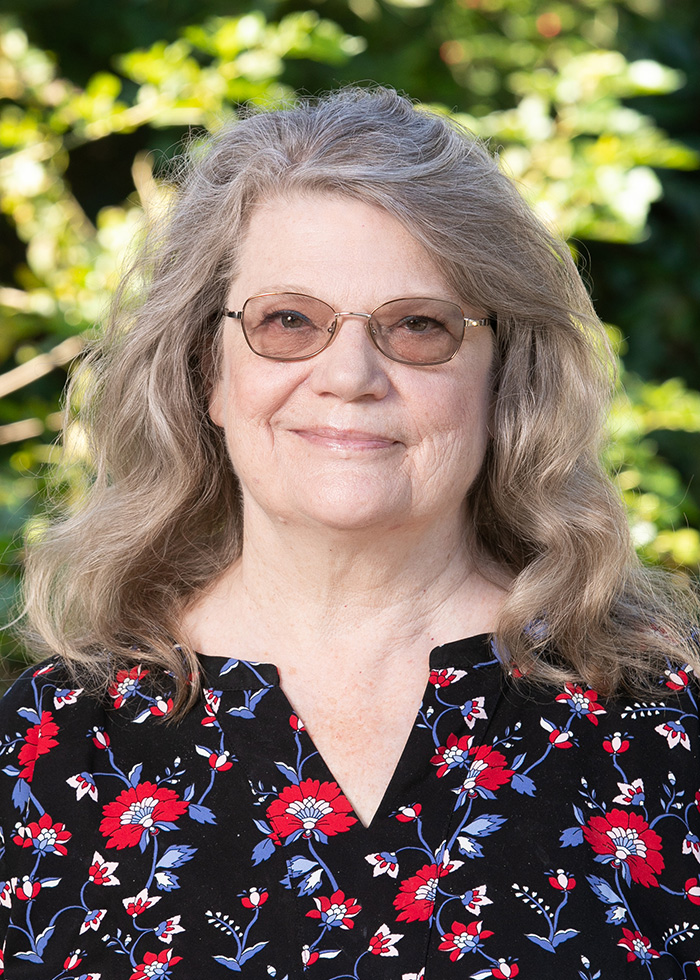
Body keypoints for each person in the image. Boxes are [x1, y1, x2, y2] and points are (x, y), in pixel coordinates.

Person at [0, 86, 698, 979]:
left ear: (503, 379)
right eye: (288, 321)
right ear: (207, 372)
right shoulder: (47, 748)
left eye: (418, 326)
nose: (350, 374)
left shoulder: (662, 728)